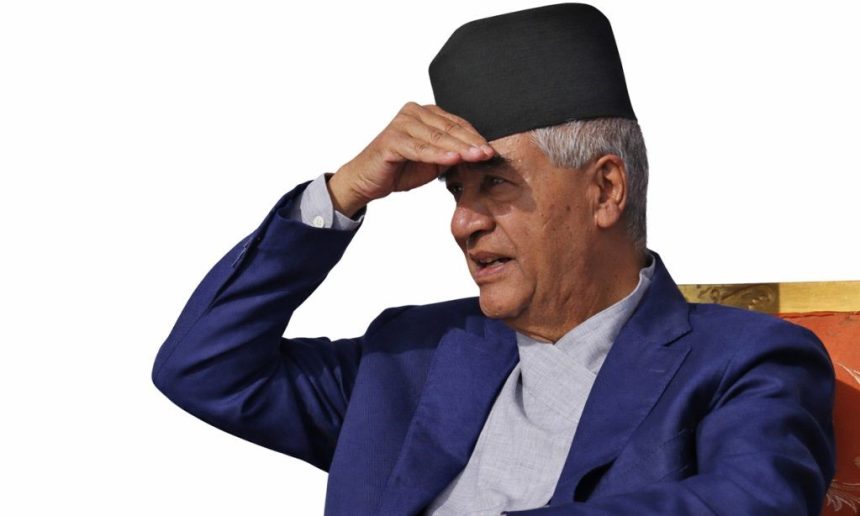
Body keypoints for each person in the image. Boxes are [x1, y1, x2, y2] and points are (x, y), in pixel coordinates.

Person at [151, 4, 835, 515]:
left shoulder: (744, 358)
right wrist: (344, 192)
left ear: (605, 190)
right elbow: (203, 369)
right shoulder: (410, 355)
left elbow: (754, 503)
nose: (463, 222)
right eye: (456, 192)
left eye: (496, 185)